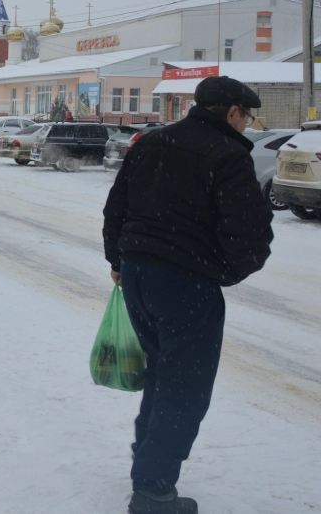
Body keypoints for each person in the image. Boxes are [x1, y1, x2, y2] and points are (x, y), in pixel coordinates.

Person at [103, 76, 273, 514]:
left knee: (161, 375)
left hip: (139, 274)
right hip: (186, 285)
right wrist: (220, 272)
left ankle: (148, 466)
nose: (247, 124)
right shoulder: (228, 155)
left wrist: (120, 261)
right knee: (185, 388)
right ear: (233, 112)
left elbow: (116, 207)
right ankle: (153, 492)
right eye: (247, 116)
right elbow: (251, 236)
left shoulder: (153, 142)